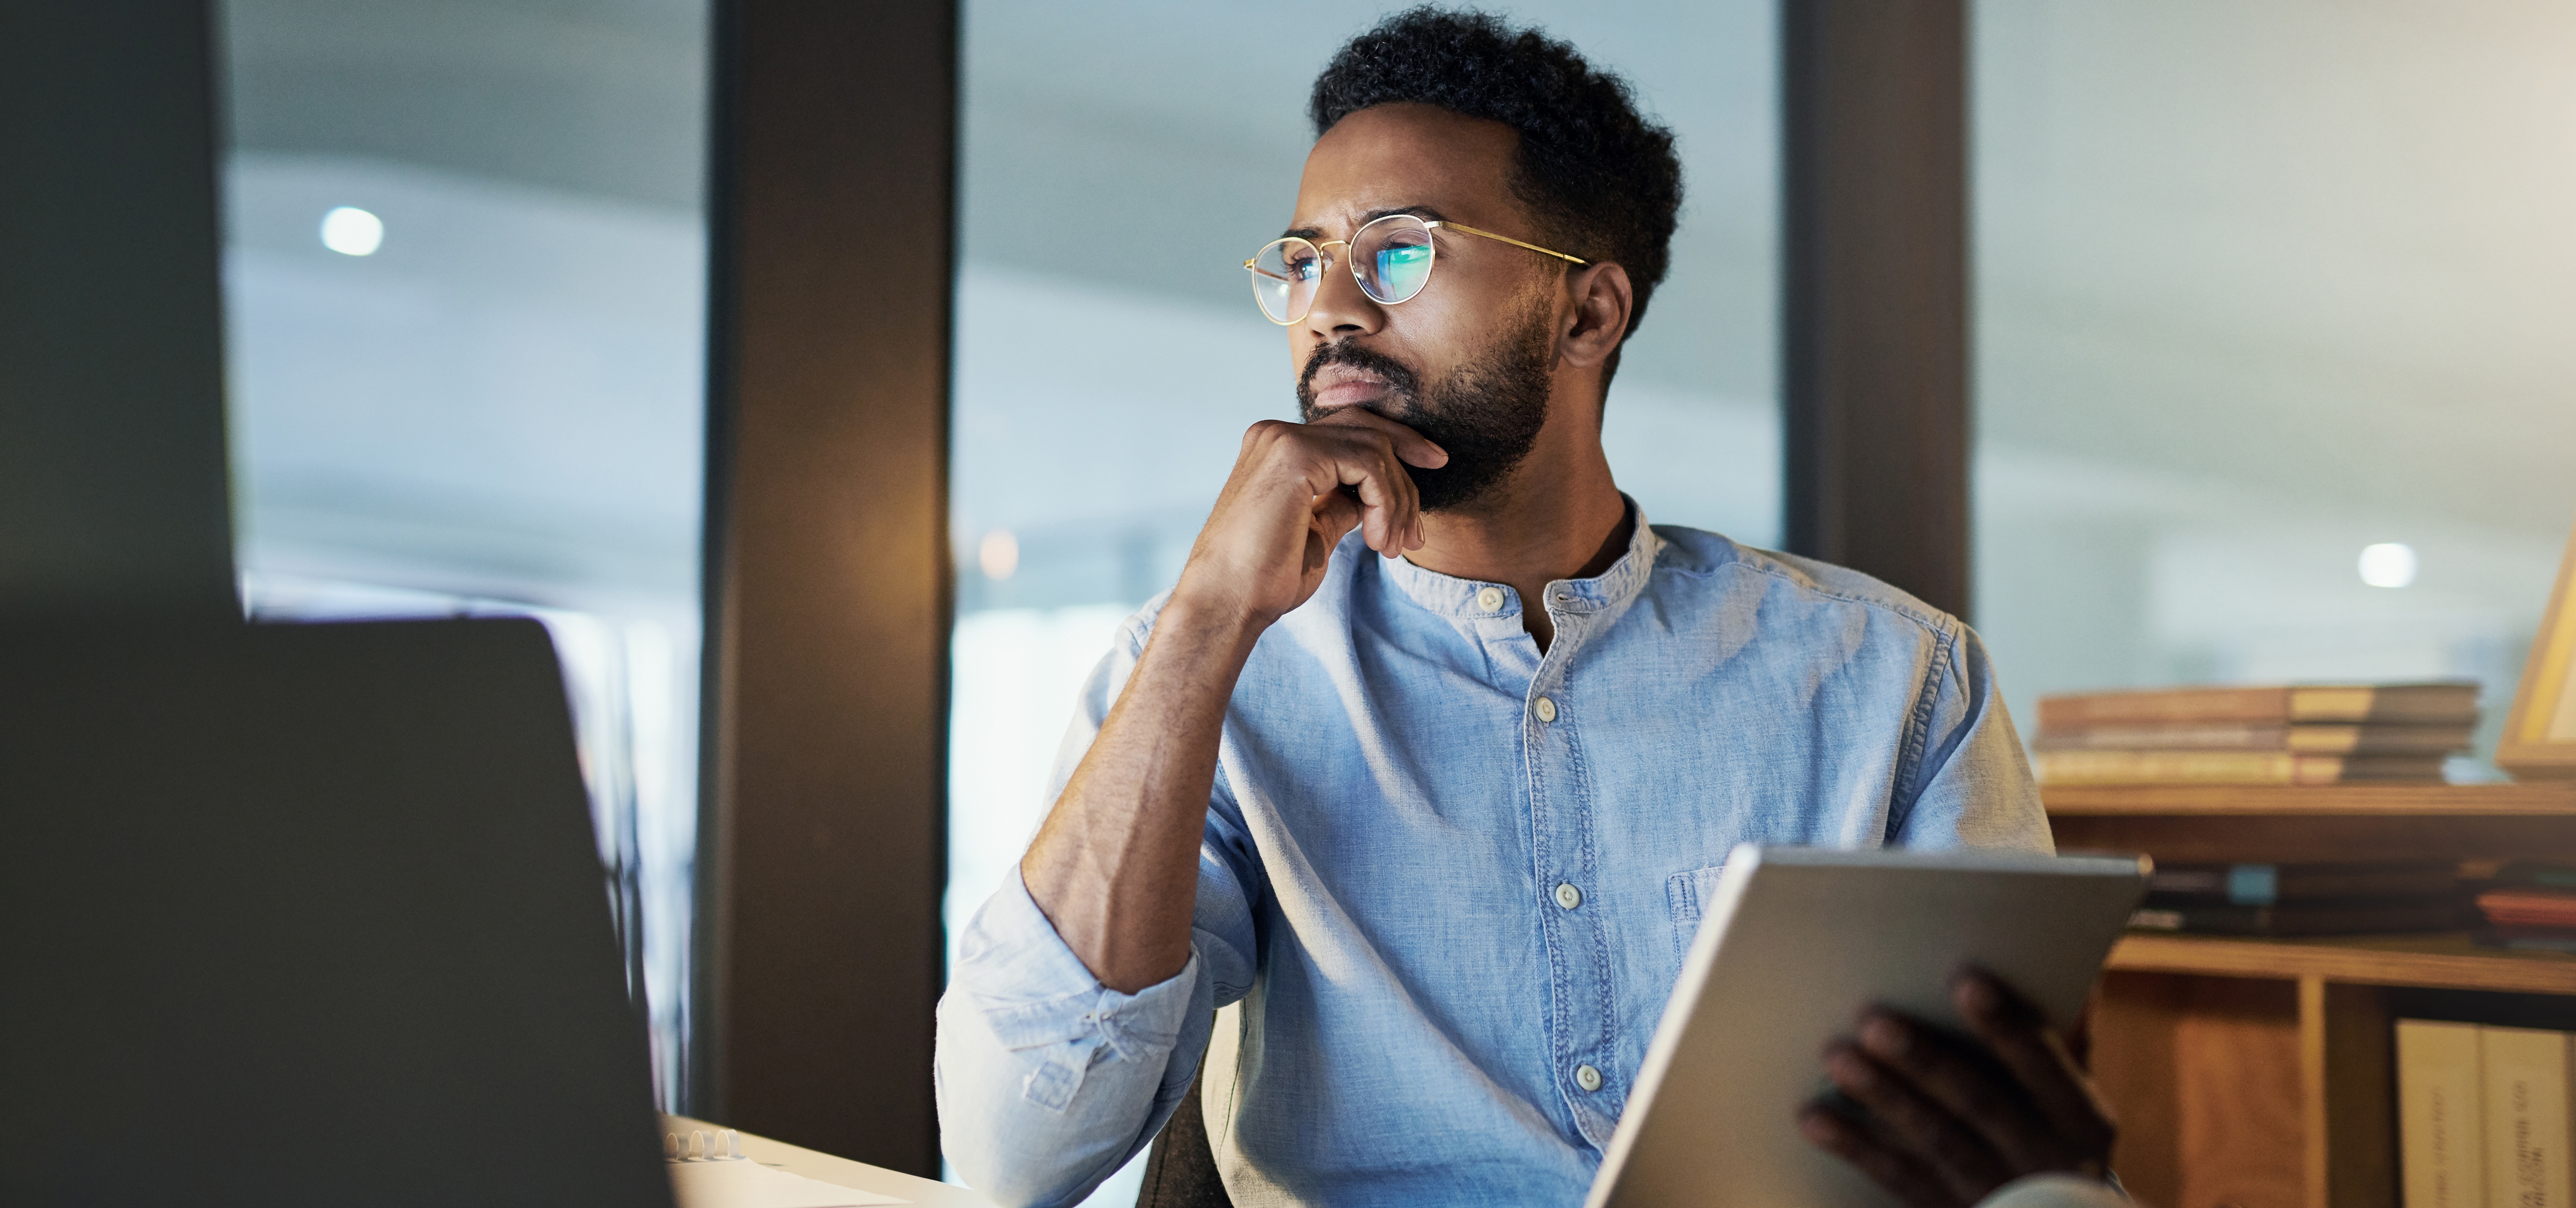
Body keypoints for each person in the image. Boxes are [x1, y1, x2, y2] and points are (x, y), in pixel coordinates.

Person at [937, 9, 2126, 1207]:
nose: (1332, 307)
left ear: (1589, 314)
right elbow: (1016, 1151)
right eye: (1304, 261)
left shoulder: (1897, 680)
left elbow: (1999, 1145)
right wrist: (1204, 616)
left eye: (1398, 251)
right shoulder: (1218, 663)